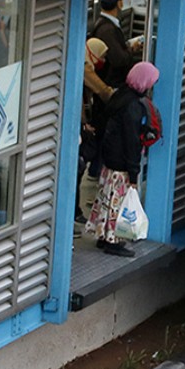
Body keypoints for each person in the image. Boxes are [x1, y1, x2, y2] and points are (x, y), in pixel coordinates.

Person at [85, 61, 159, 257]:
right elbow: (131, 140)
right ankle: (113, 240)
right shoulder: (133, 106)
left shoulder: (120, 95)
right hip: (122, 163)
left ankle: (102, 235)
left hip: (109, 159)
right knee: (119, 202)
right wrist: (134, 172)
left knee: (106, 198)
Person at [88, 0, 143, 177]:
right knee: (105, 134)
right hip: (111, 87)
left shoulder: (103, 25)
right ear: (118, 3)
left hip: (108, 87)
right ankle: (96, 172)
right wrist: (131, 50)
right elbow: (118, 59)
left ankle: (96, 170)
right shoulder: (108, 29)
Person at [79, 38, 114, 229]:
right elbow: (103, 91)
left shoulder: (86, 64)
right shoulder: (85, 67)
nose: (103, 61)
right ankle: (75, 214)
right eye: (101, 56)